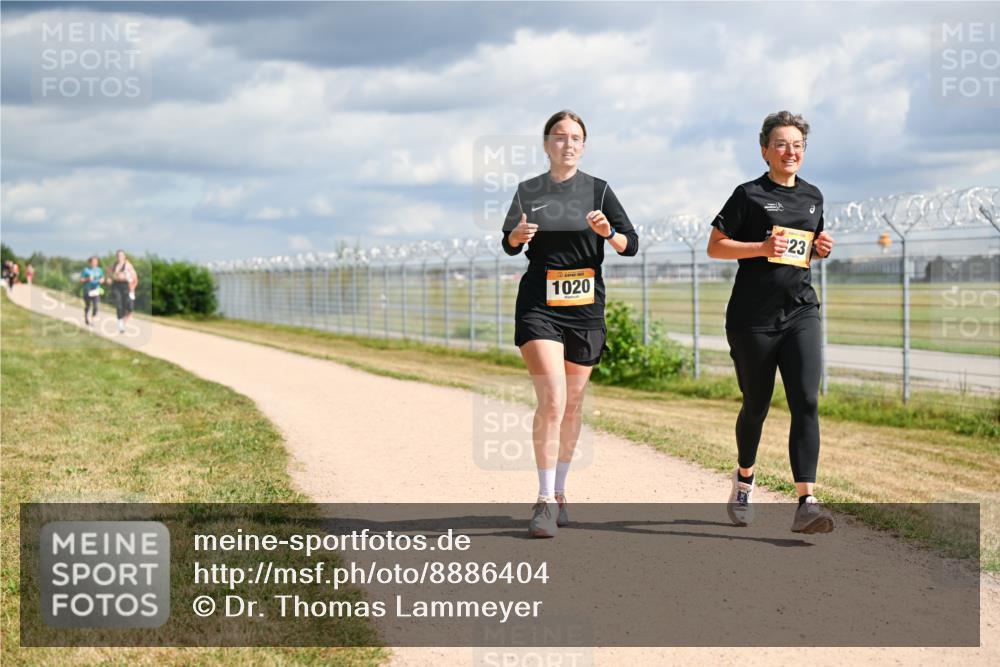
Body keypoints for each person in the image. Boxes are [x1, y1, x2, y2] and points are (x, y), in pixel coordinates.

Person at [502, 110, 639, 538]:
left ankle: (560, 490)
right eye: (560, 137)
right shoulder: (529, 191)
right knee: (553, 400)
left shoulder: (599, 191)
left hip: (585, 308)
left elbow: (630, 244)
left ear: (584, 145)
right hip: (539, 305)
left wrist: (608, 232)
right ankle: (543, 500)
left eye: (576, 137)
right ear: (546, 145)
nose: (568, 144)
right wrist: (517, 237)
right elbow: (509, 243)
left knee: (573, 404)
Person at [707, 110, 836, 534]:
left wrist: (819, 249)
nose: (790, 152)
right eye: (781, 144)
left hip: (800, 310)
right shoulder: (748, 195)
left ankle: (806, 503)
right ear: (764, 150)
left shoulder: (814, 196)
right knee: (756, 405)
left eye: (797, 145)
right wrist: (761, 248)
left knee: (806, 401)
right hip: (752, 319)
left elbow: (803, 252)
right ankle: (744, 479)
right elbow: (716, 247)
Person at [110, 250, 138, 334]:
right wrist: (109, 278)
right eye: (118, 255)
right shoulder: (114, 265)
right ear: (116, 256)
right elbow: (109, 273)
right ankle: (120, 324)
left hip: (126, 286)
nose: (120, 257)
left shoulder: (128, 265)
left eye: (121, 255)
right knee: (119, 304)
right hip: (116, 285)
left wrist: (132, 287)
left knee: (127, 306)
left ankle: (123, 322)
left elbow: (135, 277)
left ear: (124, 256)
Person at [80, 256, 105, 326]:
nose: (94, 263)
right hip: (87, 290)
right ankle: (86, 316)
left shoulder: (99, 270)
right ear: (90, 262)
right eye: (93, 262)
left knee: (95, 306)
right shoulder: (86, 270)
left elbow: (102, 278)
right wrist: (88, 279)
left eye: (96, 262)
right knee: (88, 306)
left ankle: (92, 320)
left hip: (96, 290)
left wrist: (102, 280)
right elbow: (81, 280)